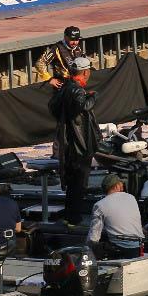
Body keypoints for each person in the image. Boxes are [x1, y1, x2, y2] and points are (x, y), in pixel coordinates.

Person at [50, 57, 100, 223]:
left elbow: (53, 107)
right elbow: (83, 106)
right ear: (85, 72)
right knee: (79, 183)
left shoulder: (65, 87)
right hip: (79, 144)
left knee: (73, 183)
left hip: (69, 142)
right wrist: (93, 97)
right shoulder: (76, 89)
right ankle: (74, 219)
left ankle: (70, 216)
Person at [87, 175, 145, 258]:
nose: (123, 186)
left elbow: (94, 236)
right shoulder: (131, 198)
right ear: (117, 186)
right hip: (138, 247)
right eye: (121, 184)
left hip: (119, 248)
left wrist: (88, 249)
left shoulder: (99, 205)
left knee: (95, 244)